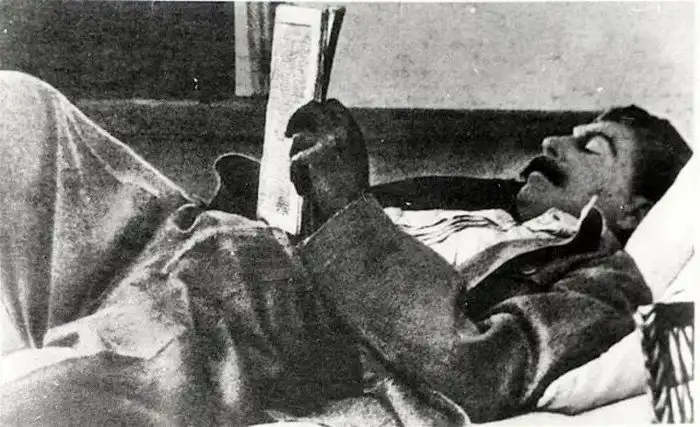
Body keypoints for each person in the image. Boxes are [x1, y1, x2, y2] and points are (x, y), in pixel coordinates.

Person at [0, 71, 692, 426]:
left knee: (33, 403)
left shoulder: (600, 276)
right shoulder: (478, 201)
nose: (553, 141)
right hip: (188, 239)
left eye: (594, 145)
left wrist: (347, 208)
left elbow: (489, 364)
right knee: (18, 109)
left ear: (638, 207)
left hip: (241, 326)